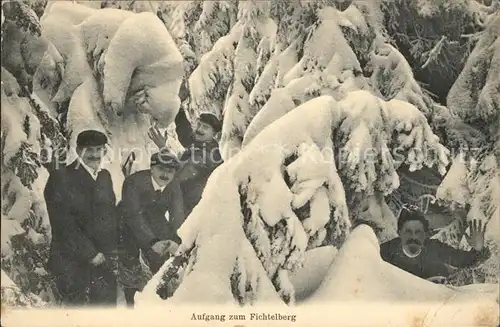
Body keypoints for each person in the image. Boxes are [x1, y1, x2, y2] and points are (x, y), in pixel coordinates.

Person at [44, 130, 118, 306]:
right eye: (88, 150)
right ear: (78, 151)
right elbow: (63, 224)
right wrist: (90, 253)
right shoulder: (61, 177)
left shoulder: (104, 177)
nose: (94, 155)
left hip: (102, 261)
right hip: (71, 261)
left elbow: (109, 216)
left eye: (98, 149)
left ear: (104, 151)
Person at [118, 148, 185, 307]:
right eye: (161, 169)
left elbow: (178, 213)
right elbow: (133, 215)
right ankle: (131, 303)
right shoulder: (133, 182)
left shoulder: (173, 184)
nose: (165, 175)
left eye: (170, 171)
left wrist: (174, 240)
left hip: (155, 220)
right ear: (151, 168)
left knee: (161, 260)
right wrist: (152, 242)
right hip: (126, 223)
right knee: (130, 262)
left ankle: (159, 298)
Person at [380, 207, 491, 283]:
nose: (413, 237)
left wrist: (478, 249)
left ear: (425, 235)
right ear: (400, 233)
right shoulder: (387, 252)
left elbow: (465, 261)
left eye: (418, 232)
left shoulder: (434, 248)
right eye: (408, 232)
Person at [148, 108, 223, 164]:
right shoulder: (206, 143)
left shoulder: (203, 155)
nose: (199, 129)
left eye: (205, 127)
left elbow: (177, 173)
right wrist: (179, 109)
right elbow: (185, 135)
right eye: (199, 124)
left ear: (214, 134)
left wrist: (163, 148)